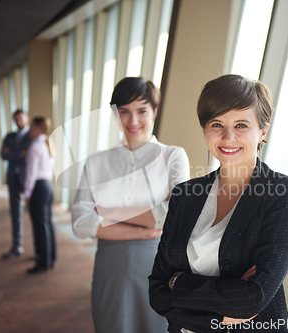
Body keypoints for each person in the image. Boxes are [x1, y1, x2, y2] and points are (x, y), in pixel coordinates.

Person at [148, 75, 288, 333]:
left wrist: (178, 283)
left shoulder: (283, 194)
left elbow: (252, 299)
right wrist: (219, 318)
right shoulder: (185, 194)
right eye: (217, 124)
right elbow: (157, 291)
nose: (228, 136)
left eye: (242, 125)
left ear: (263, 131)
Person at [71, 77, 190, 333]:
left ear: (155, 112)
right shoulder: (96, 162)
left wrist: (107, 212)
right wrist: (144, 229)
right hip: (109, 264)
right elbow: (81, 223)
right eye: (124, 112)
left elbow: (176, 217)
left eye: (141, 111)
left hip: (160, 264)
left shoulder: (172, 156)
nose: (132, 121)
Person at [24, 116, 56, 273]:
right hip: (48, 186)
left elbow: (30, 174)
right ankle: (50, 257)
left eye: (31, 126)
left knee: (40, 226)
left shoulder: (35, 146)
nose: (30, 129)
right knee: (47, 224)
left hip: (38, 187)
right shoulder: (47, 143)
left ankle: (42, 262)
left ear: (38, 128)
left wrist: (27, 194)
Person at [1, 109, 32, 259]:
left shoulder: (32, 136)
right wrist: (20, 154)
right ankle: (17, 246)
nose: (19, 122)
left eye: (21, 118)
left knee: (34, 215)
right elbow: (3, 154)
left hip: (28, 179)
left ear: (27, 118)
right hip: (13, 179)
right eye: (16, 119)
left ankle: (39, 250)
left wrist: (12, 153)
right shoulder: (9, 136)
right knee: (15, 214)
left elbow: (28, 156)